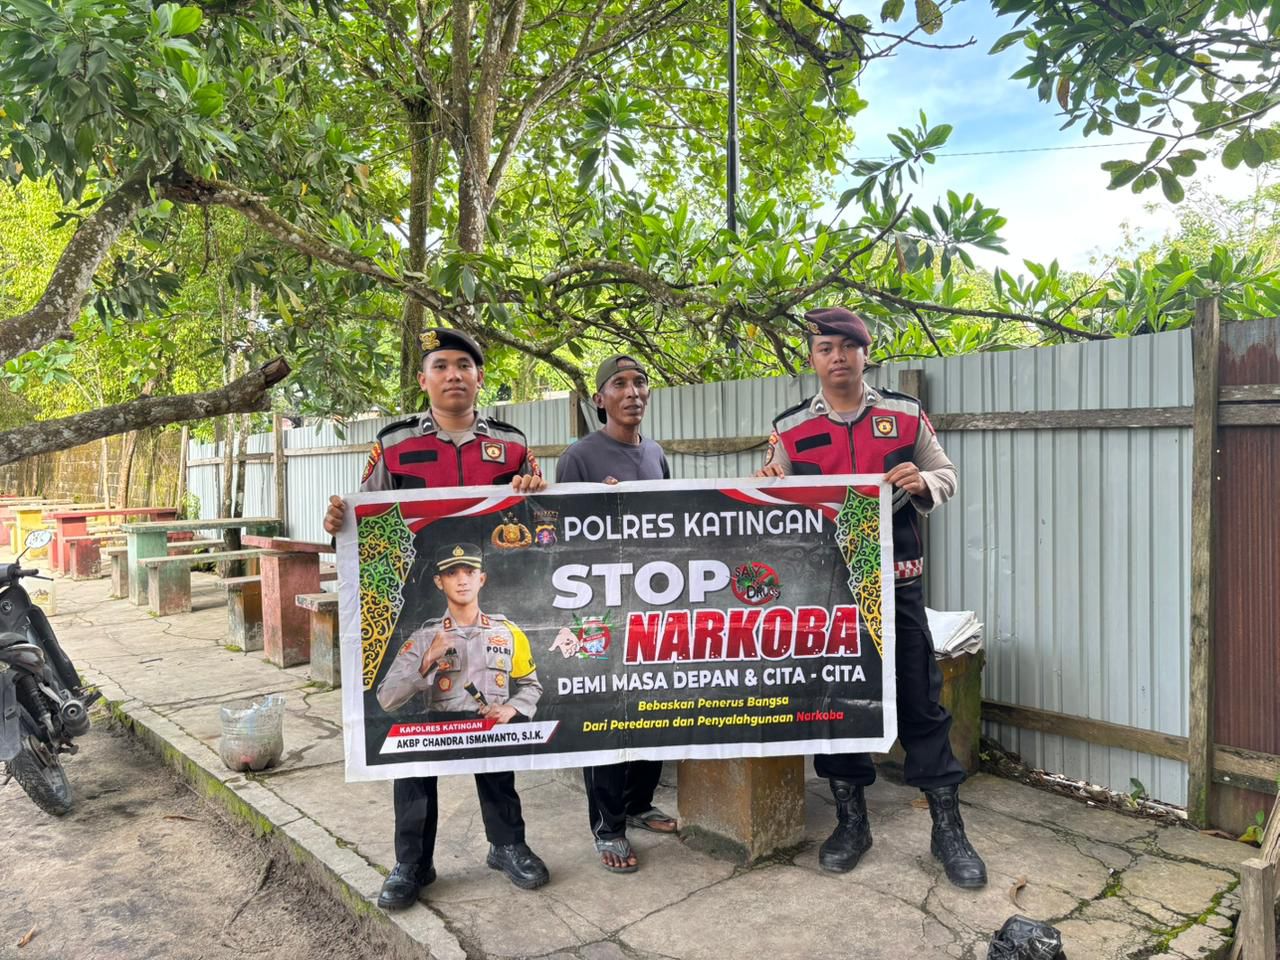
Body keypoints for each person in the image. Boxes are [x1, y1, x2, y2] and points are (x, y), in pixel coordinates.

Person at [755, 306, 987, 890]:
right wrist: (771, 484)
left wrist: (924, 481)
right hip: (829, 595)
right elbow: (771, 497)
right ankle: (851, 823)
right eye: (825, 348)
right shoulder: (789, 428)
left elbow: (947, 473)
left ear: (864, 353)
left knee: (921, 702)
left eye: (846, 346)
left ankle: (948, 829)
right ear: (812, 359)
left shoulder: (905, 415)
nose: (837, 357)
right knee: (838, 703)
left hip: (897, 584)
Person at [322, 328, 551, 910]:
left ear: (479, 377)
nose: (454, 375)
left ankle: (508, 845)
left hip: (490, 594)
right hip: (417, 601)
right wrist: (339, 522)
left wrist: (536, 491)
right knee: (413, 744)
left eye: (464, 365)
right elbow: (366, 525)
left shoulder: (512, 444)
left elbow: (537, 520)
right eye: (441, 366)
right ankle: (411, 863)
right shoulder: (394, 444)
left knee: (494, 736)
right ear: (423, 379)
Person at [555, 354, 677, 873]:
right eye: (619, 384)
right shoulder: (579, 457)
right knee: (605, 716)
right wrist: (598, 510)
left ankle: (638, 802)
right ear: (599, 398)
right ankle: (608, 827)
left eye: (640, 382)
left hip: (650, 604)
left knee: (654, 705)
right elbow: (560, 536)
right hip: (598, 610)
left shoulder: (656, 453)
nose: (632, 392)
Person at [376, 541, 542, 724]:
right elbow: (386, 699)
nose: (462, 581)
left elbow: (531, 686)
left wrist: (510, 708)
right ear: (439, 582)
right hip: (444, 736)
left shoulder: (507, 632)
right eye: (451, 573)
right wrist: (426, 660)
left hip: (494, 734)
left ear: (481, 579)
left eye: (470, 572)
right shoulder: (424, 637)